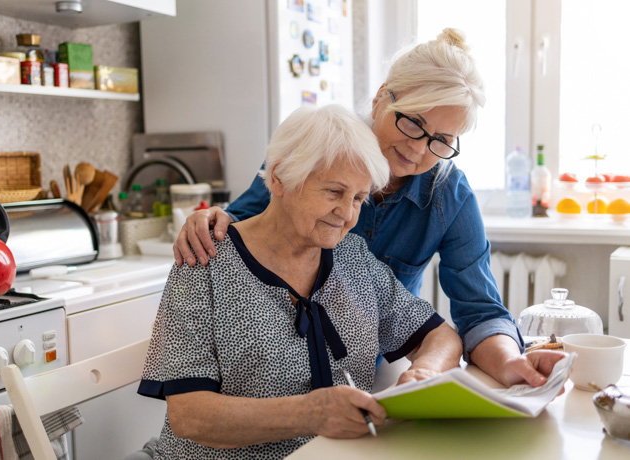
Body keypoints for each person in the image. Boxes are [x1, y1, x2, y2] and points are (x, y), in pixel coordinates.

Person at [173, 28, 567, 388]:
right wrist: (209, 219)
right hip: (272, 370)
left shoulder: (450, 195)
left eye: (441, 139)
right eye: (413, 122)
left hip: (367, 371)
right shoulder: (316, 149)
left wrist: (511, 362)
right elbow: (244, 227)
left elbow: (480, 311)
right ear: (382, 97)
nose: (417, 148)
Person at [138, 105, 463, 458]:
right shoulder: (205, 261)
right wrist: (310, 414)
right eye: (334, 192)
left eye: (358, 198)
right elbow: (190, 416)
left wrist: (425, 372)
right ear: (278, 178)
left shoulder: (353, 258)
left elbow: (440, 335)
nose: (347, 214)